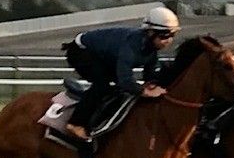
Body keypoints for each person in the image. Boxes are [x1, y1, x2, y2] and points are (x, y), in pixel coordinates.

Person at [61, 7, 180, 140]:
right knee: (103, 85)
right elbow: (126, 80)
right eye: (164, 35)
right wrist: (144, 91)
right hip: (81, 52)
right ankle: (76, 123)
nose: (168, 40)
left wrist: (153, 85)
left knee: (118, 90)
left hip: (103, 56)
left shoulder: (151, 49)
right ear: (150, 32)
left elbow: (150, 74)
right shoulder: (131, 45)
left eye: (172, 35)